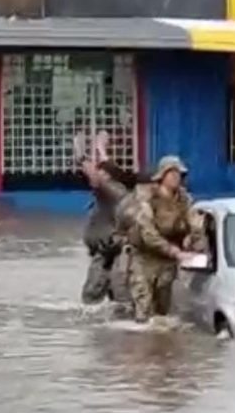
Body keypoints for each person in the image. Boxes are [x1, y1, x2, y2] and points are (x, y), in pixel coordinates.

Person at [124, 155, 206, 323]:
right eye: (172, 173)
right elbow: (148, 234)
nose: (176, 178)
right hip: (143, 258)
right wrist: (175, 252)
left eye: (179, 174)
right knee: (143, 310)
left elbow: (196, 226)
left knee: (163, 314)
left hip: (167, 261)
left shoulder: (185, 200)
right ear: (162, 176)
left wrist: (195, 243)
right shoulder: (147, 200)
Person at [77, 131, 150, 305]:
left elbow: (96, 178)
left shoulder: (115, 193)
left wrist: (82, 156)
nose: (100, 174)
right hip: (109, 249)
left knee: (104, 294)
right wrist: (101, 150)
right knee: (109, 294)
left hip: (112, 251)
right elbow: (112, 172)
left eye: (103, 172)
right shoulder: (121, 192)